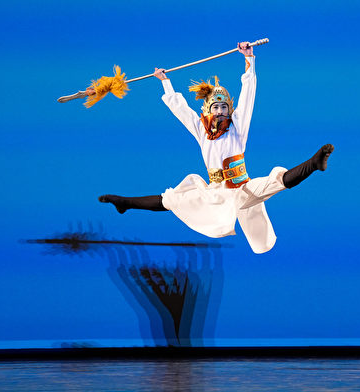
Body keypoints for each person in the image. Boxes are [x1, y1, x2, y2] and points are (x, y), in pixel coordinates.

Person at [99, 42, 334, 253]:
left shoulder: (237, 127)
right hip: (215, 192)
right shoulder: (201, 130)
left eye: (224, 107)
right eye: (215, 107)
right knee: (172, 200)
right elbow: (182, 111)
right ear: (208, 110)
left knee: (276, 181)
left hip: (243, 187)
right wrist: (165, 82)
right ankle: (125, 202)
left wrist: (249, 59)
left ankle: (314, 163)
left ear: (229, 109)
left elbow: (248, 95)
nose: (220, 111)